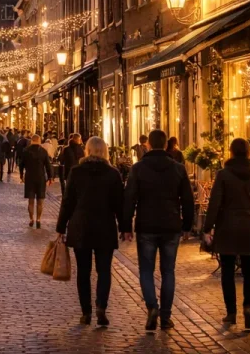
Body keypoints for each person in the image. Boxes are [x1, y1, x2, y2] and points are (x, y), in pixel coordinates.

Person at [122, 129, 194, 332]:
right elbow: (187, 199)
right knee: (168, 271)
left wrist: (126, 226)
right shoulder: (178, 168)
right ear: (165, 145)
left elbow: (129, 198)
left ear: (148, 145)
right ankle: (165, 316)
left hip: (147, 225)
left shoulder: (138, 169)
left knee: (146, 270)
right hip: (171, 225)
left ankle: (152, 307)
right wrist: (187, 225)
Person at [203, 138, 250, 330]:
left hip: (228, 226)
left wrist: (207, 228)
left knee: (227, 270)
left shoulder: (223, 174)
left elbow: (215, 203)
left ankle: (231, 312)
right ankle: (248, 307)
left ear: (231, 153)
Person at [57, 137, 124, 327]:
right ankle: (101, 306)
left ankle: (86, 312)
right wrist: (124, 225)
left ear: (86, 151)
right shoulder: (112, 174)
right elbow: (119, 203)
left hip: (81, 226)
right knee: (104, 270)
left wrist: (61, 227)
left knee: (83, 271)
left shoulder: (77, 172)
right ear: (105, 151)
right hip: (105, 226)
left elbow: (68, 201)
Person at [20, 134, 53, 228]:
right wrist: (50, 177)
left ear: (32, 141)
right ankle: (38, 219)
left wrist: (21, 175)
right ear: (39, 141)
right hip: (40, 177)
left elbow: (21, 164)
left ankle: (31, 219)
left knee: (30, 201)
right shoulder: (43, 151)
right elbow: (48, 165)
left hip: (30, 177)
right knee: (40, 201)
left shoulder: (26, 151)